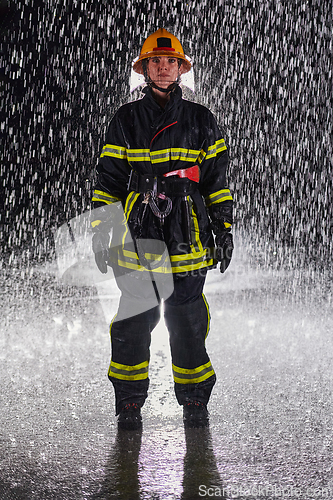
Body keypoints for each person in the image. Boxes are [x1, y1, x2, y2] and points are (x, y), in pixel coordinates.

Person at [91, 28, 234, 429]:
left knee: (187, 320)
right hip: (140, 230)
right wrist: (103, 230)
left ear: (181, 69)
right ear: (144, 69)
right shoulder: (126, 119)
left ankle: (194, 401)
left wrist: (223, 228)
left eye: (171, 62)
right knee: (135, 317)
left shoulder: (201, 119)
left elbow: (216, 182)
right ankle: (130, 403)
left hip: (188, 228)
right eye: (156, 61)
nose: (164, 67)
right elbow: (109, 180)